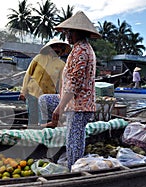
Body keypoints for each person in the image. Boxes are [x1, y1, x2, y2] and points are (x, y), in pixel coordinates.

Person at [39, 11, 101, 170]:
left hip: (80, 106)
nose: (67, 35)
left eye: (70, 32)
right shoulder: (77, 49)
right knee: (44, 100)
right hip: (71, 102)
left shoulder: (82, 51)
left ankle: (75, 171)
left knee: (73, 141)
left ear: (80, 32)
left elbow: (74, 84)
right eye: (67, 32)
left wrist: (60, 108)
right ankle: (54, 123)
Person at [19, 39, 71, 125]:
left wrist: (62, 99)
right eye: (54, 47)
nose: (56, 49)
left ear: (61, 50)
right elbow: (28, 74)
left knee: (43, 121)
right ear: (50, 48)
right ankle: (31, 136)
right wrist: (23, 92)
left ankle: (41, 137)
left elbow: (61, 83)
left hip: (46, 97)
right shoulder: (38, 58)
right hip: (32, 93)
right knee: (32, 118)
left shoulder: (61, 64)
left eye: (59, 47)